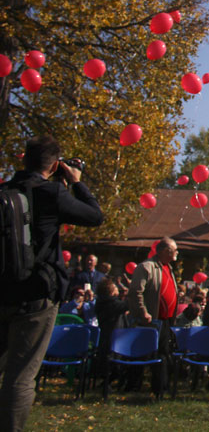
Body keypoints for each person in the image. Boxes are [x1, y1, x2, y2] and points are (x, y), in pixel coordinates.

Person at [0, 135, 103, 432]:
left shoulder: (6, 191)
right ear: (56, 164)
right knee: (20, 376)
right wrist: (77, 182)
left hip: (3, 291)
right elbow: (95, 216)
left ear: (23, 160)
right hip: (35, 298)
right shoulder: (51, 194)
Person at [126, 236, 180, 397]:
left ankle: (160, 388)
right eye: (175, 249)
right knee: (142, 353)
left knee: (163, 354)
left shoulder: (168, 268)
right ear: (165, 251)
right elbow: (136, 291)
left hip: (165, 320)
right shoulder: (147, 267)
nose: (177, 252)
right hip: (149, 320)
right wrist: (143, 312)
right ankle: (133, 386)